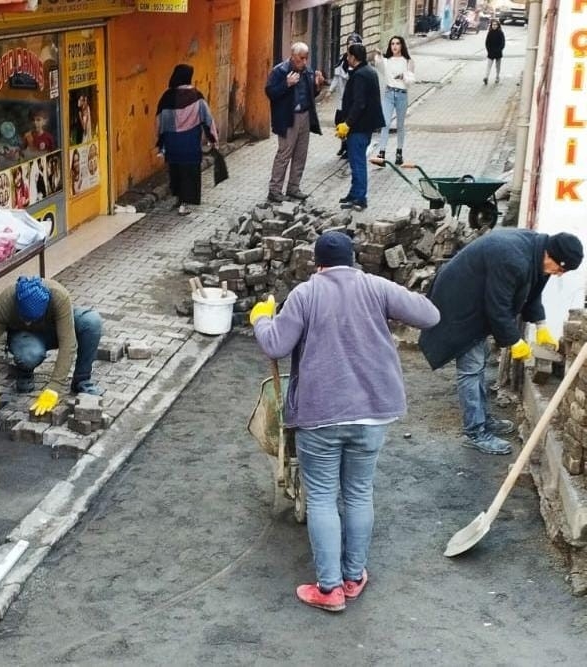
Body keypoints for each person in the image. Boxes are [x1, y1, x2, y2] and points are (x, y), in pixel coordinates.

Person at [250, 231, 439, 612]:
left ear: (318, 264)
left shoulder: (306, 293)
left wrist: (261, 320)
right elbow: (429, 315)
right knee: (358, 492)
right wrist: (389, 300)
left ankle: (330, 588)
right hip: (372, 412)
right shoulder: (375, 286)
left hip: (321, 415)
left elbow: (275, 345)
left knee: (321, 496)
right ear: (352, 260)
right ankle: (354, 577)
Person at [419, 230, 584, 455]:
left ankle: (482, 419)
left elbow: (532, 293)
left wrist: (541, 325)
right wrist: (514, 341)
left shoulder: (539, 253)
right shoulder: (512, 258)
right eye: (561, 269)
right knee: (471, 368)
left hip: (476, 300)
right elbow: (498, 307)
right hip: (458, 304)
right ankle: (475, 432)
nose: (559, 274)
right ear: (552, 256)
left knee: (479, 362)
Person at [0, 277, 104, 421]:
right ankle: (24, 371)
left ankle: (81, 379)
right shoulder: (5, 303)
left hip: (53, 329)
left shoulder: (59, 297)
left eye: (32, 319)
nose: (29, 322)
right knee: (29, 355)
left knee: (91, 322)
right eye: (25, 318)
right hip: (25, 336)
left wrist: (54, 387)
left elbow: (68, 344)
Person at [155, 63, 218, 216]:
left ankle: (177, 198)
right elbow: (207, 119)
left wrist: (160, 142)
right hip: (190, 143)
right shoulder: (197, 96)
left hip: (172, 143)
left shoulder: (166, 97)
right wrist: (213, 138)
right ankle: (184, 204)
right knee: (188, 174)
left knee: (175, 171)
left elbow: (159, 121)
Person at [265, 42, 324, 203]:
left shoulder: (307, 71)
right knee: (284, 154)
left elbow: (311, 93)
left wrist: (318, 85)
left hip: (304, 115)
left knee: (300, 154)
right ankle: (275, 190)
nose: (304, 62)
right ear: (292, 56)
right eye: (301, 59)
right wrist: (287, 84)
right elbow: (270, 92)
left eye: (306, 58)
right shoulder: (280, 71)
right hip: (287, 117)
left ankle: (293, 187)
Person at [338, 43, 385, 212]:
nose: (347, 58)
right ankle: (353, 193)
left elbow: (359, 103)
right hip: (367, 125)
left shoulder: (359, 76)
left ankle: (360, 198)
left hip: (359, 127)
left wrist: (347, 124)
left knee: (357, 162)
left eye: (348, 56)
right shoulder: (369, 71)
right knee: (355, 160)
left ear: (353, 57)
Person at [374, 36, 415, 166]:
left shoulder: (408, 61)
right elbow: (379, 66)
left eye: (397, 43)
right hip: (389, 93)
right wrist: (379, 56)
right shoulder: (387, 60)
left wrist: (404, 76)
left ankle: (399, 152)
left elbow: (411, 81)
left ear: (402, 45)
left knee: (400, 125)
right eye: (392, 44)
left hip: (402, 94)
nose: (395, 46)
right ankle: (382, 152)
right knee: (385, 123)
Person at [327, 33, 362, 160]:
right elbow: (337, 77)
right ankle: (343, 144)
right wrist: (330, 90)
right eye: (349, 44)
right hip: (341, 98)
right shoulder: (343, 61)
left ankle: (349, 148)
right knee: (338, 121)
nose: (350, 46)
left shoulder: (359, 64)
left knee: (349, 123)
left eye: (353, 44)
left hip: (352, 100)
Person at [483, 19, 505, 85]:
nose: (494, 26)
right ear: (491, 25)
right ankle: (486, 77)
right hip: (491, 52)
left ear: (498, 25)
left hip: (498, 52)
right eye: (493, 25)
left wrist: (499, 49)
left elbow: (503, 43)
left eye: (495, 25)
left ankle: (497, 77)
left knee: (498, 66)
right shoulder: (490, 33)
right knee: (488, 66)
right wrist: (489, 50)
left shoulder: (500, 33)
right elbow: (487, 43)